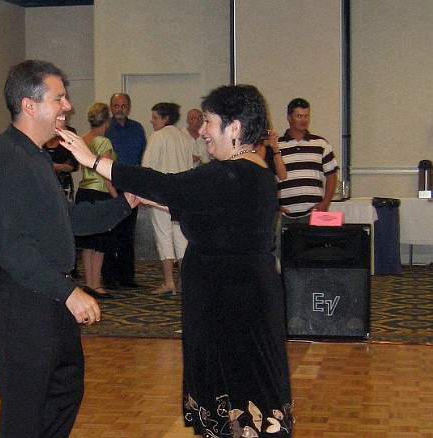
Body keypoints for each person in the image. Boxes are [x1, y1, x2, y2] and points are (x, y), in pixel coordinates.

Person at [57, 84, 294, 437]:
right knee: (240, 391)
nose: (201, 131)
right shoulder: (251, 173)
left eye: (210, 122)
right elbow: (202, 208)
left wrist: (93, 160)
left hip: (232, 305)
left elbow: (169, 185)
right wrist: (152, 200)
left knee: (241, 391)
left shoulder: (231, 173)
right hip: (236, 298)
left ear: (235, 128)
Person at [0, 60, 137, 438]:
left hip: (44, 294)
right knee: (25, 413)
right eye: (59, 98)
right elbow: (14, 248)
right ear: (29, 106)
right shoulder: (7, 161)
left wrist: (125, 203)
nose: (67, 106)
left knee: (64, 390)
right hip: (21, 298)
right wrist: (69, 292)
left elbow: (65, 220)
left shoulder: (33, 155)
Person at [276, 98, 339, 259]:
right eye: (299, 116)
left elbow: (331, 175)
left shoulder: (321, 144)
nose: (304, 120)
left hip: (313, 212)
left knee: (313, 256)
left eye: (306, 116)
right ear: (289, 118)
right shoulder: (277, 146)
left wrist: (326, 202)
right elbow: (269, 178)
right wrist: (274, 204)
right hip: (285, 214)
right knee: (285, 256)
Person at [141, 102, 193, 294]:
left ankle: (169, 281)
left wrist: (144, 194)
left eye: (155, 117)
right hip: (181, 195)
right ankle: (183, 281)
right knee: (181, 238)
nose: (151, 121)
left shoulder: (158, 136)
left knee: (164, 236)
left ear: (166, 119)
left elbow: (148, 168)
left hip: (161, 194)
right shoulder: (185, 138)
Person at [102, 92, 147, 289]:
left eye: (123, 106)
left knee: (128, 233)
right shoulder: (106, 128)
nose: (120, 110)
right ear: (111, 107)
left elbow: (142, 155)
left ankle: (127, 277)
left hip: (132, 183)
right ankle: (110, 278)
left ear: (129, 107)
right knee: (111, 231)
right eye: (116, 106)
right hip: (111, 183)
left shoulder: (137, 128)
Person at [75, 103, 118, 298]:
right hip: (100, 193)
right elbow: (105, 173)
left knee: (88, 242)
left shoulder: (83, 139)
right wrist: (117, 196)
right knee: (100, 242)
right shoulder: (104, 142)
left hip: (83, 191)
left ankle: (89, 282)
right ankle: (96, 284)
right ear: (106, 122)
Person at [44, 124, 78, 201]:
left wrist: (56, 166)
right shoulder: (44, 131)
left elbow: (73, 165)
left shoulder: (69, 133)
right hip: (45, 182)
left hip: (62, 183)